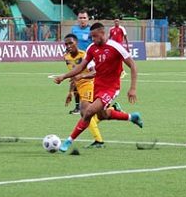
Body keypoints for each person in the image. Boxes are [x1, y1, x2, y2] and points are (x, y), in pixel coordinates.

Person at [54, 22, 143, 152]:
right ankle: (132, 117)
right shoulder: (91, 48)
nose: (93, 39)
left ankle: (68, 141)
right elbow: (81, 67)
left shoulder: (116, 47)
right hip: (98, 86)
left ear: (102, 33)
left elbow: (133, 66)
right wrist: (64, 76)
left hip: (111, 87)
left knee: (88, 112)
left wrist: (133, 88)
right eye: (92, 37)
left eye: (95, 36)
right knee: (103, 115)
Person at [61, 34, 123, 148]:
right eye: (66, 44)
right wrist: (70, 92)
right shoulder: (66, 57)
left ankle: (99, 141)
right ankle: (113, 109)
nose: (68, 46)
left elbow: (94, 72)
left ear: (76, 43)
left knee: (85, 112)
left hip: (90, 85)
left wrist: (82, 76)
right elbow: (73, 75)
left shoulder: (84, 55)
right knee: (97, 115)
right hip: (80, 88)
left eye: (71, 43)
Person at [69, 10, 92, 114]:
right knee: (75, 82)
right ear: (77, 19)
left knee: (91, 84)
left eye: (84, 18)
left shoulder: (91, 30)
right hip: (77, 61)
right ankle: (77, 107)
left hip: (89, 61)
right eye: (80, 18)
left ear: (88, 19)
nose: (82, 20)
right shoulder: (74, 30)